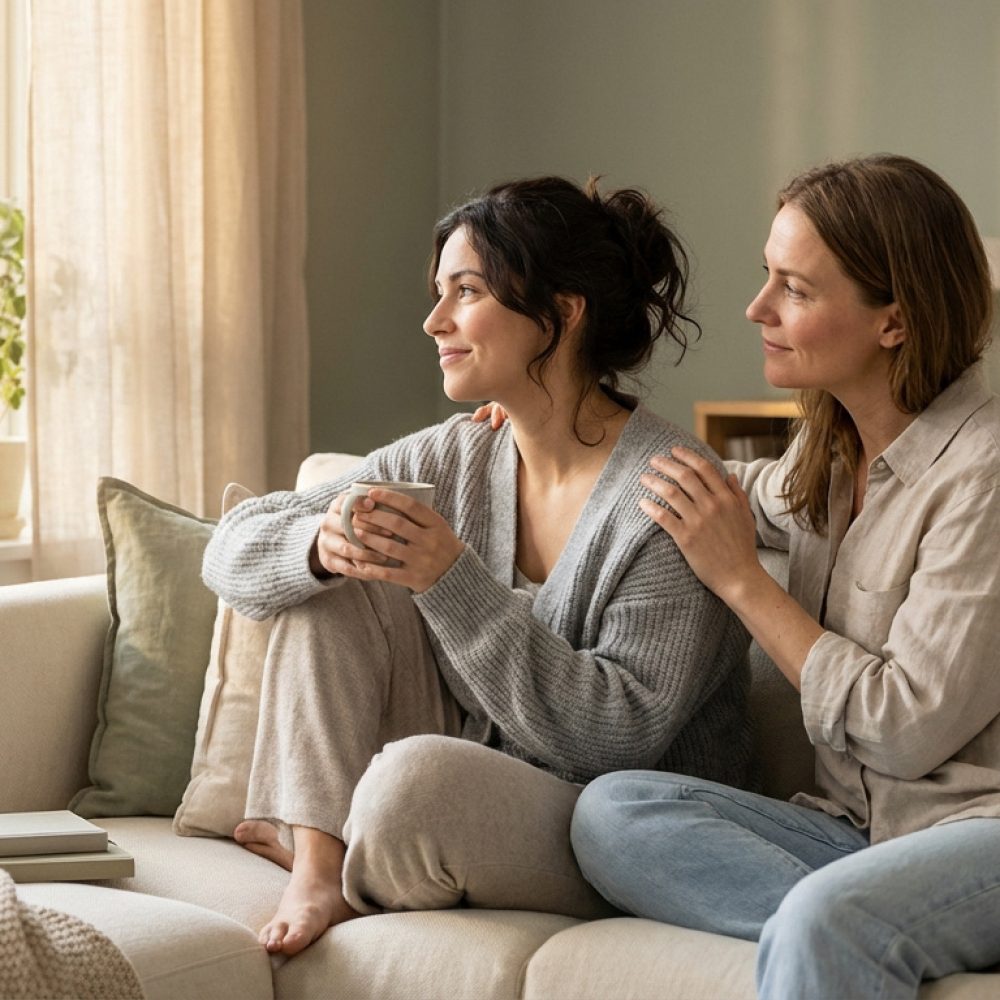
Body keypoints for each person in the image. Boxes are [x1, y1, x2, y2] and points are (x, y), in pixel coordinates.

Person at [202, 175, 752, 956]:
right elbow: (231, 543)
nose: (433, 322)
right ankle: (319, 869)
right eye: (439, 293)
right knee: (336, 562)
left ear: (561, 315)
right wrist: (319, 547)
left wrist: (448, 577)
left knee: (413, 787)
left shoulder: (670, 494)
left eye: (465, 292)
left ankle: (337, 845)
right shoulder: (461, 450)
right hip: (483, 793)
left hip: (616, 822)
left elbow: (615, 740)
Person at [569, 153, 1000, 999]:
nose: (757, 308)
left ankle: (856, 927)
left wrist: (744, 584)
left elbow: (903, 727)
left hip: (977, 831)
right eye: (769, 276)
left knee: (825, 918)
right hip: (852, 837)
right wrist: (553, 422)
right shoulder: (828, 452)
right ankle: (880, 930)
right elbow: (706, 492)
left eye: (794, 290)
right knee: (613, 815)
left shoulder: (984, 475)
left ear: (894, 322)